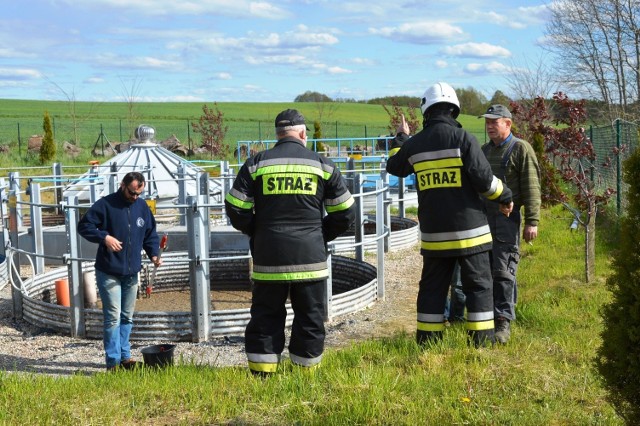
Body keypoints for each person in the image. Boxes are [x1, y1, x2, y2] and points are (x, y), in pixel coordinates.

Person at [225, 109, 356, 375]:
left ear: (277, 135)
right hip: (311, 258)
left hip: (268, 256)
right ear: (303, 134)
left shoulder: (256, 163)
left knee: (265, 316)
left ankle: (262, 374)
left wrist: (258, 232)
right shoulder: (322, 165)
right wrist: (321, 234)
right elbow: (346, 213)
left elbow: (235, 207)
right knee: (310, 316)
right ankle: (304, 373)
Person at [386, 82, 514, 347]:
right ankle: (480, 343)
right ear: (454, 109)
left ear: (427, 111)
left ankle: (428, 343)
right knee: (478, 286)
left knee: (432, 289)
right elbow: (484, 181)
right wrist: (505, 196)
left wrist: (401, 139)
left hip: (434, 236)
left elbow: (394, 167)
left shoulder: (416, 144)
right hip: (471, 235)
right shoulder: (464, 138)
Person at [78, 171, 162, 370]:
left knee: (127, 317)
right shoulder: (106, 205)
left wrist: (154, 254)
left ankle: (126, 357)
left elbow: (150, 233)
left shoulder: (141, 207)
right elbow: (84, 226)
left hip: (132, 271)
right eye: (132, 192)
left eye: (138, 194)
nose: (135, 197)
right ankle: (113, 361)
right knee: (113, 316)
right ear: (122, 185)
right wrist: (104, 237)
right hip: (109, 271)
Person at [479, 104, 541, 344]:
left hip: (506, 219)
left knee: (503, 270)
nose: (489, 126)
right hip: (483, 219)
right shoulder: (484, 151)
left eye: (494, 122)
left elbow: (532, 187)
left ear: (508, 123)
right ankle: (484, 316)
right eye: (487, 122)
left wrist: (532, 221)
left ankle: (503, 321)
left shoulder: (521, 149)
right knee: (483, 269)